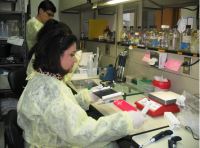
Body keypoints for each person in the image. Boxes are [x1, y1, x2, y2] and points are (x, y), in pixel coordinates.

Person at [17, 20, 145, 148]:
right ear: (55, 55)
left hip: (47, 140)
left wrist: (86, 98)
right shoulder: (51, 91)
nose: (74, 60)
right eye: (71, 55)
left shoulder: (42, 77)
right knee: (111, 145)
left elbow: (60, 111)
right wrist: (126, 121)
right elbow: (83, 132)